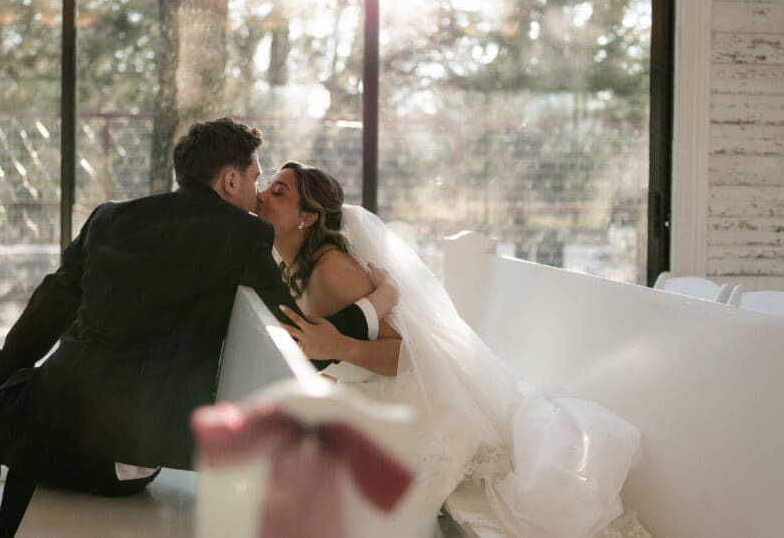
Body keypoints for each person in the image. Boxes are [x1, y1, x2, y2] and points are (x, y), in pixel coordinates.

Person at [0, 119, 396, 538]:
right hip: (134, 457)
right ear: (231, 180)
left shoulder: (109, 217)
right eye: (256, 178)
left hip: (63, 429)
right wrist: (374, 306)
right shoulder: (243, 236)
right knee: (22, 407)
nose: (256, 193)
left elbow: (49, 306)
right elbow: (295, 344)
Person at [255, 161, 644, 538]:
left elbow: (404, 354)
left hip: (418, 407)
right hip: (368, 397)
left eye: (278, 190)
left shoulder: (331, 269)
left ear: (306, 217)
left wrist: (340, 345)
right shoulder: (291, 267)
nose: (263, 195)